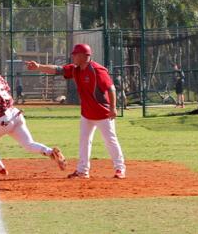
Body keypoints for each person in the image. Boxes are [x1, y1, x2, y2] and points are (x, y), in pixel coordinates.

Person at [26, 44, 126, 179]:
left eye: (76, 54)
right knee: (84, 141)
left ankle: (120, 169)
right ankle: (82, 171)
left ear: (85, 56)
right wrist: (39, 67)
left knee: (110, 141)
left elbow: (111, 88)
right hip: (87, 114)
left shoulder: (97, 70)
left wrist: (113, 108)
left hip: (103, 114)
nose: (73, 56)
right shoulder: (75, 70)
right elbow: (58, 70)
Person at [0, 53, 66, 176]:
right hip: (15, 113)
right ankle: (51, 152)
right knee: (29, 144)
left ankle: (0, 168)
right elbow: (7, 90)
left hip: (4, 119)